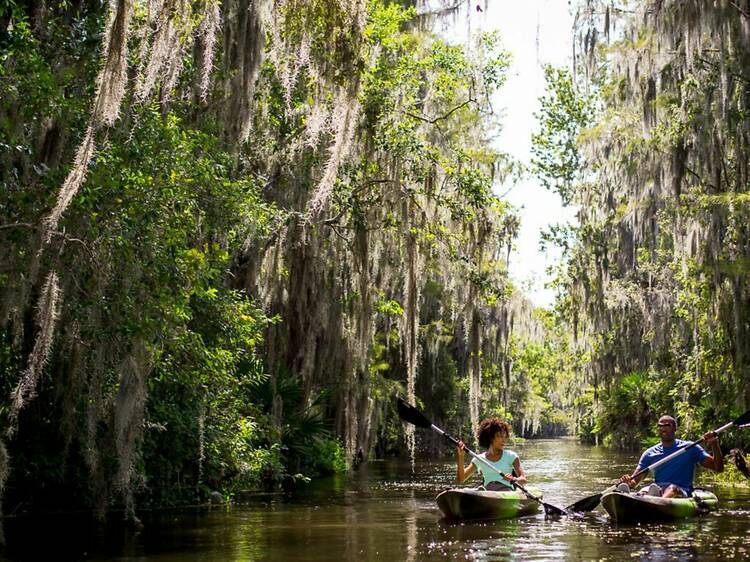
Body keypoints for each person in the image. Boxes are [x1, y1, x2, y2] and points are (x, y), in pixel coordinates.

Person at [618, 415, 724, 498]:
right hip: (657, 489)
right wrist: (628, 482)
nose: (663, 428)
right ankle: (632, 497)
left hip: (681, 490)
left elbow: (718, 467)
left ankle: (658, 503)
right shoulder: (649, 453)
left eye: (667, 425)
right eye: (660, 426)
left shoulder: (690, 447)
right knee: (644, 491)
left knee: (672, 488)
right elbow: (634, 482)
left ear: (674, 428)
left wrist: (714, 444)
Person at [456, 418, 526, 491]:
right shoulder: (479, 459)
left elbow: (523, 479)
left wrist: (514, 479)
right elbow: (461, 479)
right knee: (479, 489)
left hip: (506, 490)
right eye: (500, 436)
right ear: (491, 438)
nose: (504, 440)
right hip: (487, 490)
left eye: (505, 437)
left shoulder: (511, 456)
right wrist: (460, 457)